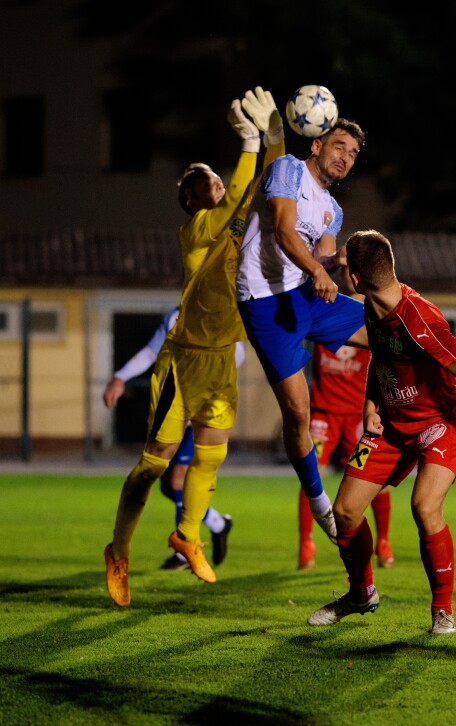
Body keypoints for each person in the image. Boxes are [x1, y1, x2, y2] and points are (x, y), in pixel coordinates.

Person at [105, 88, 285, 606]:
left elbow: (263, 187)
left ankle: (189, 534)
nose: (218, 182)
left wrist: (274, 138)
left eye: (216, 175)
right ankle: (118, 551)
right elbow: (238, 193)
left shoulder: (237, 225)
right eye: (208, 178)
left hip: (220, 360)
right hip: (182, 360)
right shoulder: (197, 230)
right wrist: (249, 142)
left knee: (212, 454)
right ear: (191, 197)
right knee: (155, 464)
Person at [306, 229, 456, 635]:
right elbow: (381, 357)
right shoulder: (374, 307)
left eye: (343, 269)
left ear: (354, 278)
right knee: (344, 511)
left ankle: (442, 611)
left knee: (425, 507)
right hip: (391, 424)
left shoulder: (420, 320)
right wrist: (371, 404)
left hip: (439, 425)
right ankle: (361, 593)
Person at [236, 117, 369, 549]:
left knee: (390, 327)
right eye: (340, 146)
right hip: (264, 301)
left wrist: (339, 262)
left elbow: (324, 259)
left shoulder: (335, 209)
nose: (345, 156)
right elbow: (282, 228)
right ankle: (318, 500)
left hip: (303, 293)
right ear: (316, 145)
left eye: (353, 153)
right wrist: (318, 269)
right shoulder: (288, 169)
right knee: (297, 410)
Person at [102, 306, 241, 570]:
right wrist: (120, 377)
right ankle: (218, 523)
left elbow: (235, 358)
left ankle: (185, 549)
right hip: (173, 408)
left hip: (200, 413)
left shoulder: (224, 314)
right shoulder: (176, 316)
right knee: (168, 486)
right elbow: (150, 352)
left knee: (178, 478)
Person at [301, 264, 395, 571]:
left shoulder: (374, 317)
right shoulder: (326, 307)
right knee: (311, 475)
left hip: (358, 417)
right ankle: (306, 545)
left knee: (373, 479)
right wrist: (325, 264)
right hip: (325, 415)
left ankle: (383, 542)